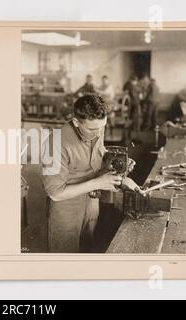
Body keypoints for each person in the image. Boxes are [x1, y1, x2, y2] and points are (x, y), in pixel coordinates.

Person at [41, 95, 140, 253]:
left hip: (92, 203)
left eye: (103, 126)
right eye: (92, 129)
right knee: (65, 257)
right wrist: (98, 183)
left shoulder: (96, 127)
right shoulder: (54, 144)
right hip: (67, 210)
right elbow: (55, 193)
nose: (99, 132)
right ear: (76, 122)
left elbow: (97, 154)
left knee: (87, 248)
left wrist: (116, 161)